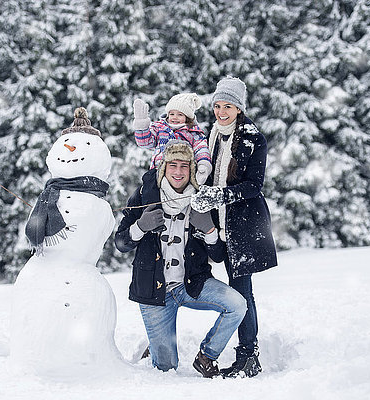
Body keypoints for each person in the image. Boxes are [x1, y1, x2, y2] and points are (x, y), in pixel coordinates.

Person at [114, 139, 246, 378]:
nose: (178, 171)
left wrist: (209, 231)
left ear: (192, 169)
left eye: (184, 166)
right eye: (173, 165)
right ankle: (157, 346)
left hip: (192, 285)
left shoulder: (202, 200)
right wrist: (141, 227)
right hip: (154, 292)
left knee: (237, 305)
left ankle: (207, 356)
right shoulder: (146, 194)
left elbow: (217, 256)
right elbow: (120, 242)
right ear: (164, 167)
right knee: (166, 369)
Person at [191, 76, 278, 378]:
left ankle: (248, 355)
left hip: (245, 228)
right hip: (220, 225)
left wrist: (221, 195)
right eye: (217, 105)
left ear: (239, 108)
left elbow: (255, 186)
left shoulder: (254, 138)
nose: (221, 111)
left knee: (242, 292)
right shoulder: (212, 134)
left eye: (227, 106)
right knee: (218, 284)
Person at [132, 93, 212, 185]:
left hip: (181, 175)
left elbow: (201, 149)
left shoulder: (193, 133)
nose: (175, 117)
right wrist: (141, 125)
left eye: (180, 115)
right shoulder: (159, 128)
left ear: (187, 117)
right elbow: (145, 143)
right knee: (148, 195)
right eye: (172, 114)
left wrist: (203, 165)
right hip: (158, 173)